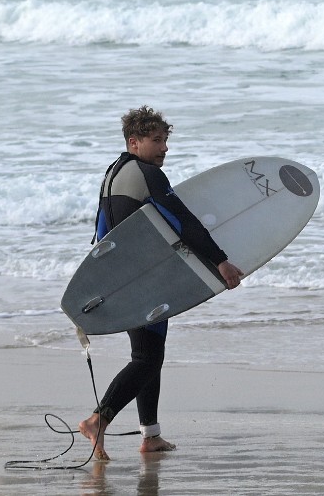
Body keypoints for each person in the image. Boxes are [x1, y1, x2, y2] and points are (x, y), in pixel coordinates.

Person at [77, 107, 243, 459]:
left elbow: (103, 235)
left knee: (149, 356)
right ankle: (99, 420)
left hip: (126, 278)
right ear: (134, 142)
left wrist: (103, 283)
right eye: (156, 141)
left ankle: (150, 436)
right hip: (143, 281)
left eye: (165, 140)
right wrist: (220, 261)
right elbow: (183, 221)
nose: (164, 148)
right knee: (147, 359)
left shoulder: (113, 173)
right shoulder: (146, 173)